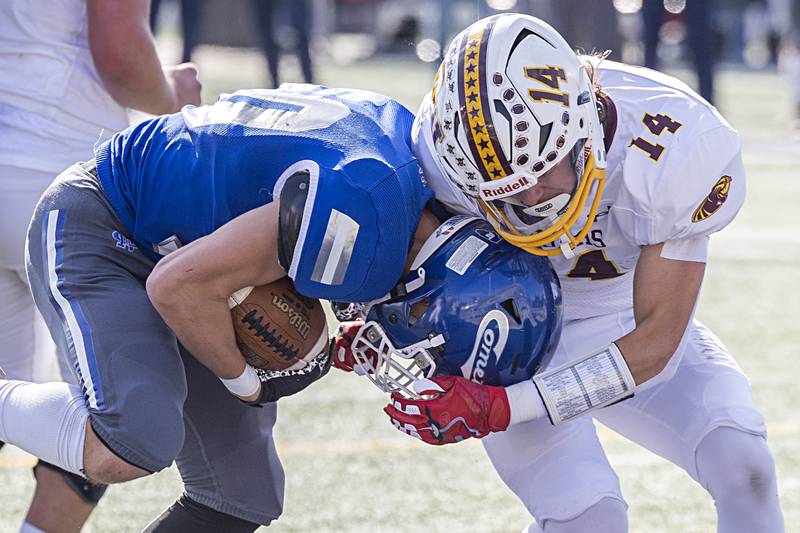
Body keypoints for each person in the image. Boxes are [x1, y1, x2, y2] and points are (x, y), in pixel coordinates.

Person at [389, 14, 782, 532]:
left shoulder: (678, 143)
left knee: (744, 467)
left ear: (583, 125)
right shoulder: (438, 159)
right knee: (589, 521)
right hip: (508, 345)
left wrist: (505, 410)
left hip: (622, 321)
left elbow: (658, 338)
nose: (530, 202)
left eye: (543, 171)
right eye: (504, 190)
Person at [0, 84, 435, 532]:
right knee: (133, 441)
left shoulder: (403, 167)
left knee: (240, 495)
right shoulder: (369, 199)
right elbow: (179, 286)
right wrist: (248, 384)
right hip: (107, 223)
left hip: (191, 255)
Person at [0, 1, 200, 531]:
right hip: (56, 176)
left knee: (12, 395)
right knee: (113, 421)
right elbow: (120, 56)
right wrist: (170, 97)